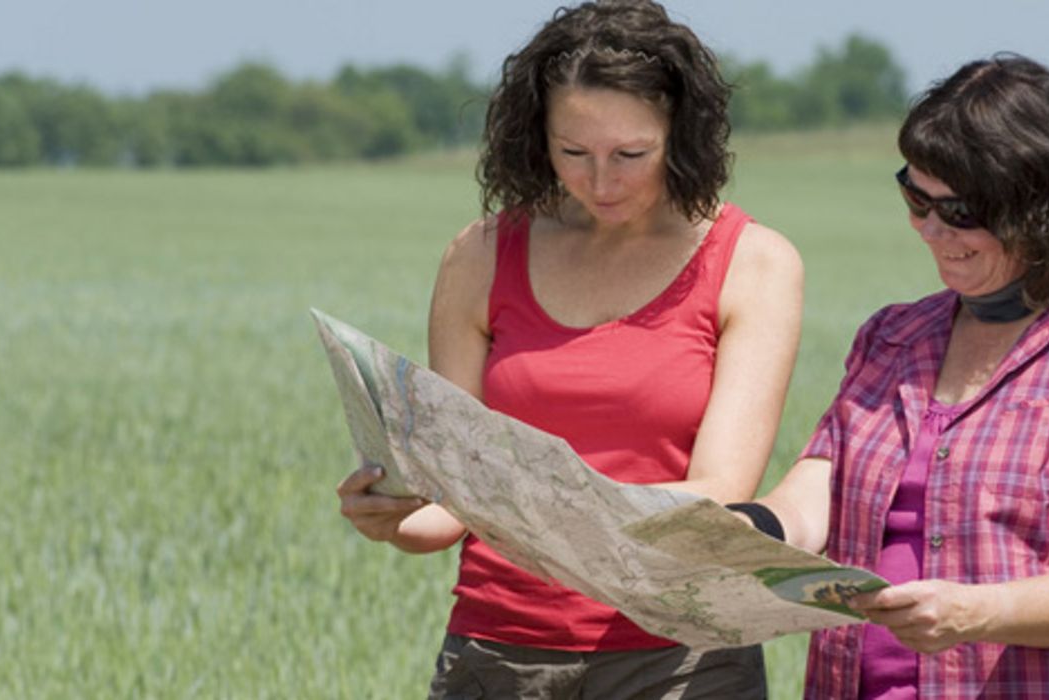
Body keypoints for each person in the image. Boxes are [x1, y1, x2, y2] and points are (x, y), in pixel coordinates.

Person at [336, 1, 803, 698]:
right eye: (573, 153)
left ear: (680, 134)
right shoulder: (480, 254)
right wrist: (395, 514)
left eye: (630, 155)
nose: (601, 182)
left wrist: (520, 499)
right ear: (535, 137)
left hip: (681, 657)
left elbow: (721, 491)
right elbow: (451, 498)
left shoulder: (754, 263)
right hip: (495, 652)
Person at [742, 54, 1049, 698]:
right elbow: (815, 490)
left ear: (1042, 208)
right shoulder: (893, 335)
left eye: (959, 211)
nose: (931, 230)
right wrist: (747, 533)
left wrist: (972, 614)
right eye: (914, 197)